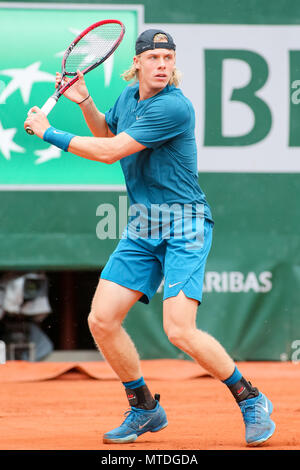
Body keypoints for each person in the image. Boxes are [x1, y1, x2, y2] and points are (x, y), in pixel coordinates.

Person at [24, 29, 275, 447]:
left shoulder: (174, 107)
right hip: (143, 226)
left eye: (168, 57)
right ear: (137, 63)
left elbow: (110, 153)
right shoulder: (127, 97)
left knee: (179, 330)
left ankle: (250, 398)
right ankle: (143, 408)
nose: (162, 64)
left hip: (185, 225)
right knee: (101, 320)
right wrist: (85, 101)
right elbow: (107, 134)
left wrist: (49, 132)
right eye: (154, 57)